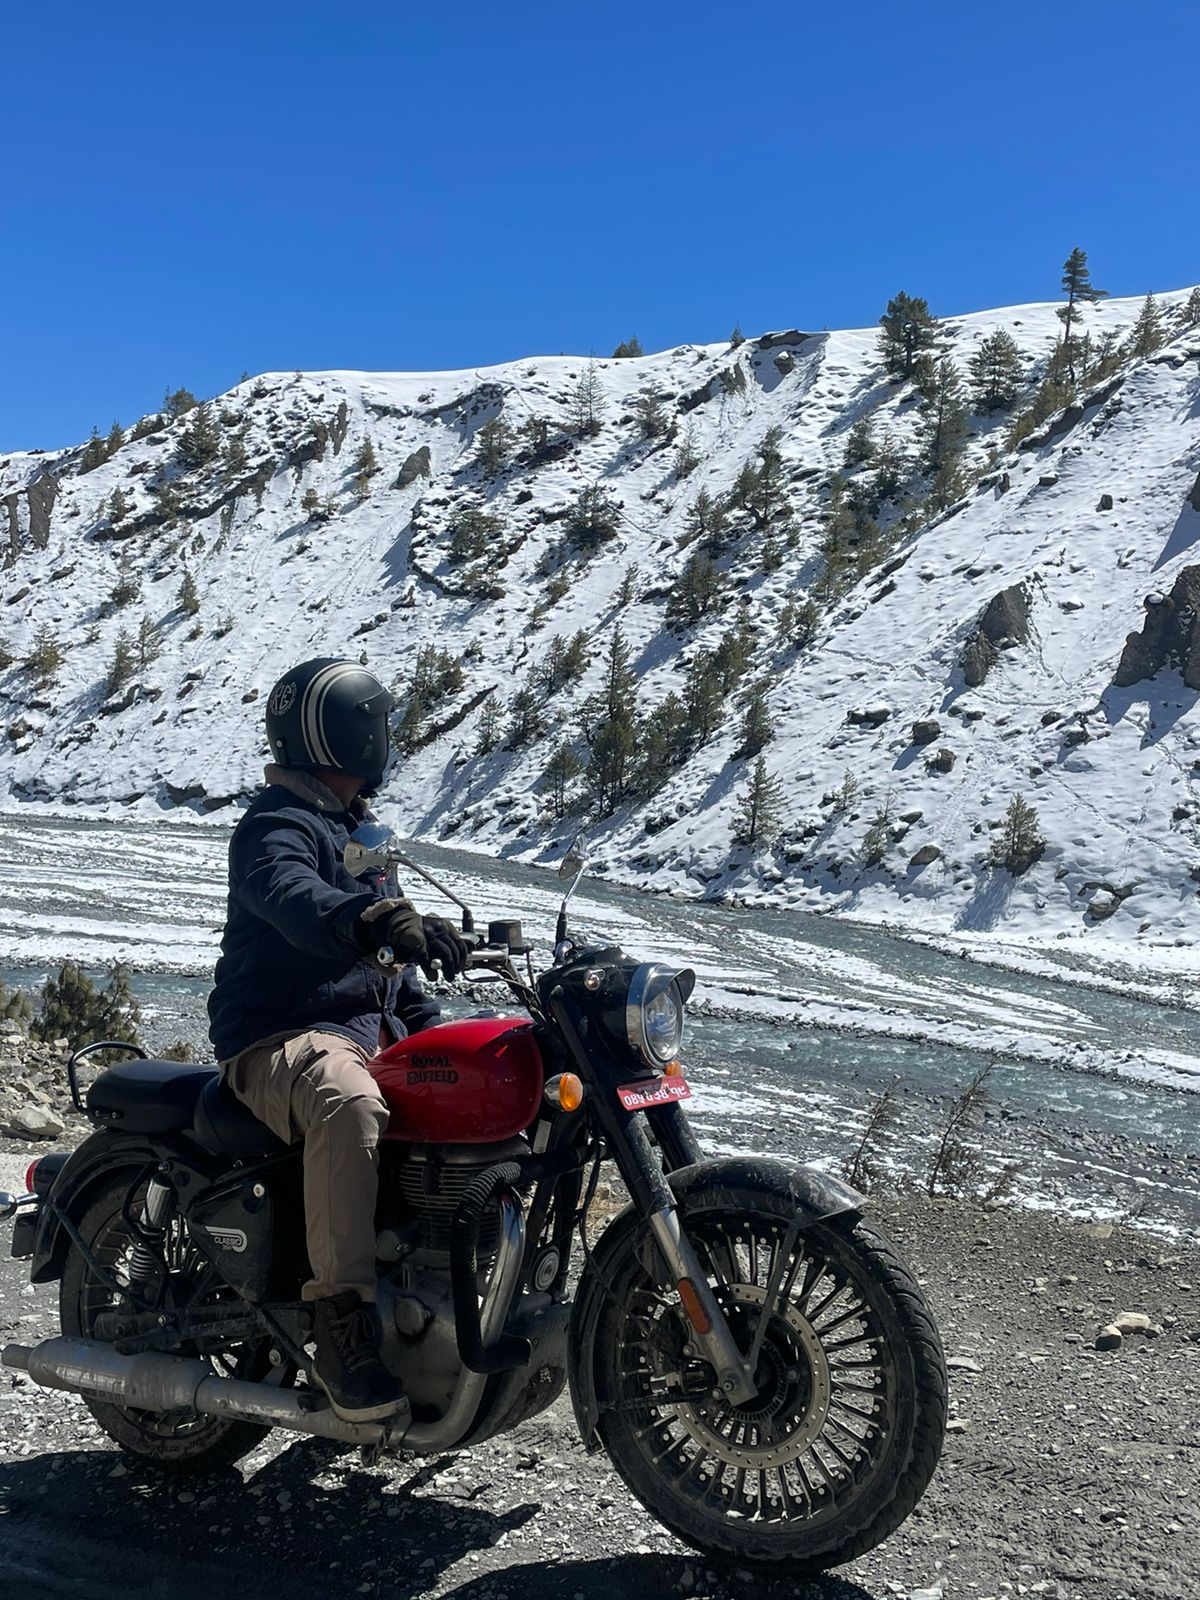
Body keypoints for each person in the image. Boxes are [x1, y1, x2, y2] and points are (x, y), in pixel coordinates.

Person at [207, 657, 468, 1422]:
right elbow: (297, 898)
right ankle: (341, 1325)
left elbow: (389, 969)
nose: (386, 739)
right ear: (348, 735)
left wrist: (439, 1030)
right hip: (280, 1040)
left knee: (482, 1077)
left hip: (364, 1032)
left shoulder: (357, 832)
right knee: (346, 1099)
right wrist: (373, 918)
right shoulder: (274, 827)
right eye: (378, 725)